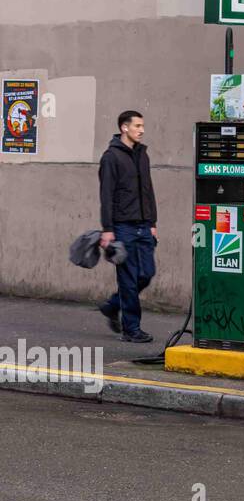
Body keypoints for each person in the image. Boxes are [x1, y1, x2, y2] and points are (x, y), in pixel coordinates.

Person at [97, 111, 158, 343]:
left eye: (143, 126)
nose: (141, 130)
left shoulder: (143, 155)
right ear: (124, 128)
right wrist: (107, 229)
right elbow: (106, 195)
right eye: (137, 126)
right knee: (129, 280)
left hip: (144, 226)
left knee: (147, 274)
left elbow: (148, 191)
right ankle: (131, 329)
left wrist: (152, 223)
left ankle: (112, 305)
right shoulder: (111, 157)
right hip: (122, 228)